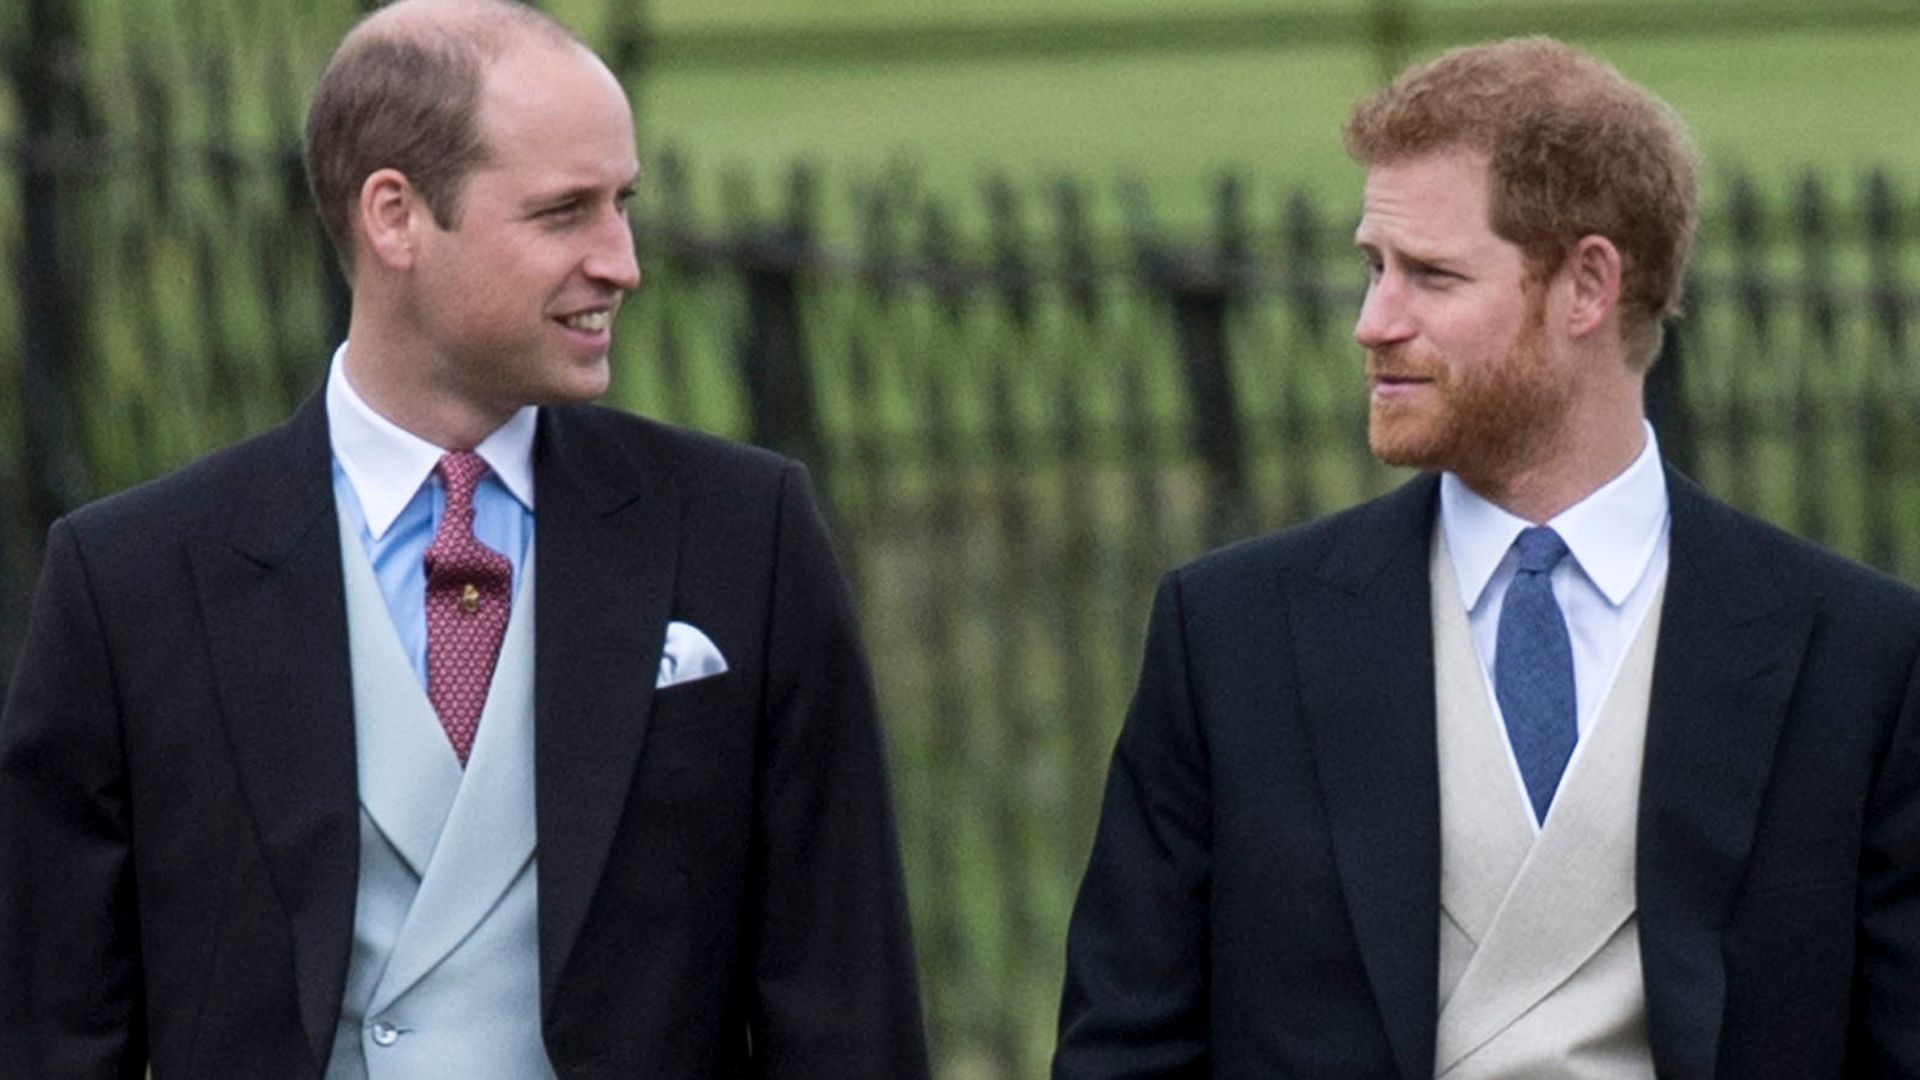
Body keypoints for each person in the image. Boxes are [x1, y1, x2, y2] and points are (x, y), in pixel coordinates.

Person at [0, 1, 929, 1076]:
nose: (622, 261)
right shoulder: (133, 583)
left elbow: (848, 1016)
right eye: (564, 213)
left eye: (622, 204)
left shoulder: (743, 537)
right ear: (393, 216)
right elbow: (52, 1038)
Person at [1055, 36, 1920, 1078]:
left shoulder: (1858, 658)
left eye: (1431, 275)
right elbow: (1122, 1054)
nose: (1374, 322)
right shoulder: (1230, 637)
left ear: (1588, 286)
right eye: (1373, 267)